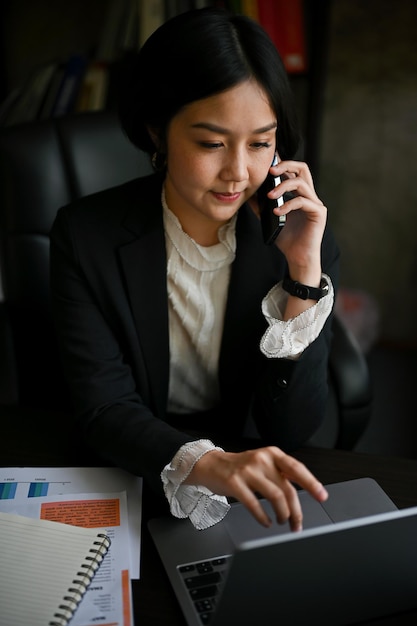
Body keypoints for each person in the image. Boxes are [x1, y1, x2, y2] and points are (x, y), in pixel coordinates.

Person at [50, 7, 339, 532]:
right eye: (211, 143)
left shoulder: (301, 236)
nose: (238, 172)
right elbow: (104, 406)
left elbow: (293, 428)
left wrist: (301, 273)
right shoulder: (85, 235)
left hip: (254, 479)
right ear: (157, 132)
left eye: (260, 143)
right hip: (133, 468)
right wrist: (209, 464)